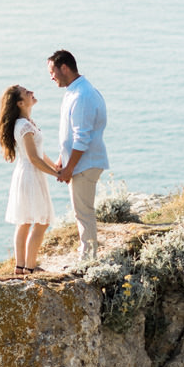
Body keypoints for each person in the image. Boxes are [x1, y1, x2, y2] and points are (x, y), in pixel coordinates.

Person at [48, 49, 108, 261]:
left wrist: (70, 168)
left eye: (52, 71)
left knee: (83, 212)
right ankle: (87, 254)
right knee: (82, 211)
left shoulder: (82, 95)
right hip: (80, 162)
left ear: (64, 68)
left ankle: (88, 258)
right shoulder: (75, 91)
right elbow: (69, 135)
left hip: (85, 163)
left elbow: (81, 138)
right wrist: (62, 160)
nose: (51, 77)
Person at [0, 84, 59, 274]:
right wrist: (56, 174)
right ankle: (30, 268)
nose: (32, 92)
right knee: (41, 221)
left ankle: (20, 267)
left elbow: (39, 152)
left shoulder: (25, 122)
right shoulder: (23, 126)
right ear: (21, 103)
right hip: (31, 175)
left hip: (27, 174)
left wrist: (55, 166)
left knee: (24, 221)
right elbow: (34, 158)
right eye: (27, 93)